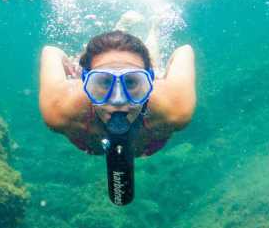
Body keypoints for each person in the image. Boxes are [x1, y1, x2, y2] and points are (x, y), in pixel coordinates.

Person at [39, 30, 195, 157]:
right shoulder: (59, 109)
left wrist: (163, 78)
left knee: (152, 60)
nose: (119, 99)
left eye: (132, 81)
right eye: (104, 82)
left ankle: (150, 44)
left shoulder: (175, 108)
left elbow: (184, 51)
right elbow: (51, 52)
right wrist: (73, 69)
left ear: (150, 81)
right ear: (85, 82)